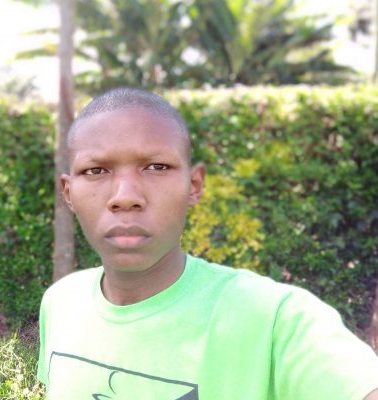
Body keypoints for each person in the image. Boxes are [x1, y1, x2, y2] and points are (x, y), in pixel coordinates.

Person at [37, 87, 378, 399]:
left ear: (194, 185)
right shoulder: (60, 302)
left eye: (156, 166)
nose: (125, 196)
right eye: (96, 171)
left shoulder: (276, 320)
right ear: (68, 193)